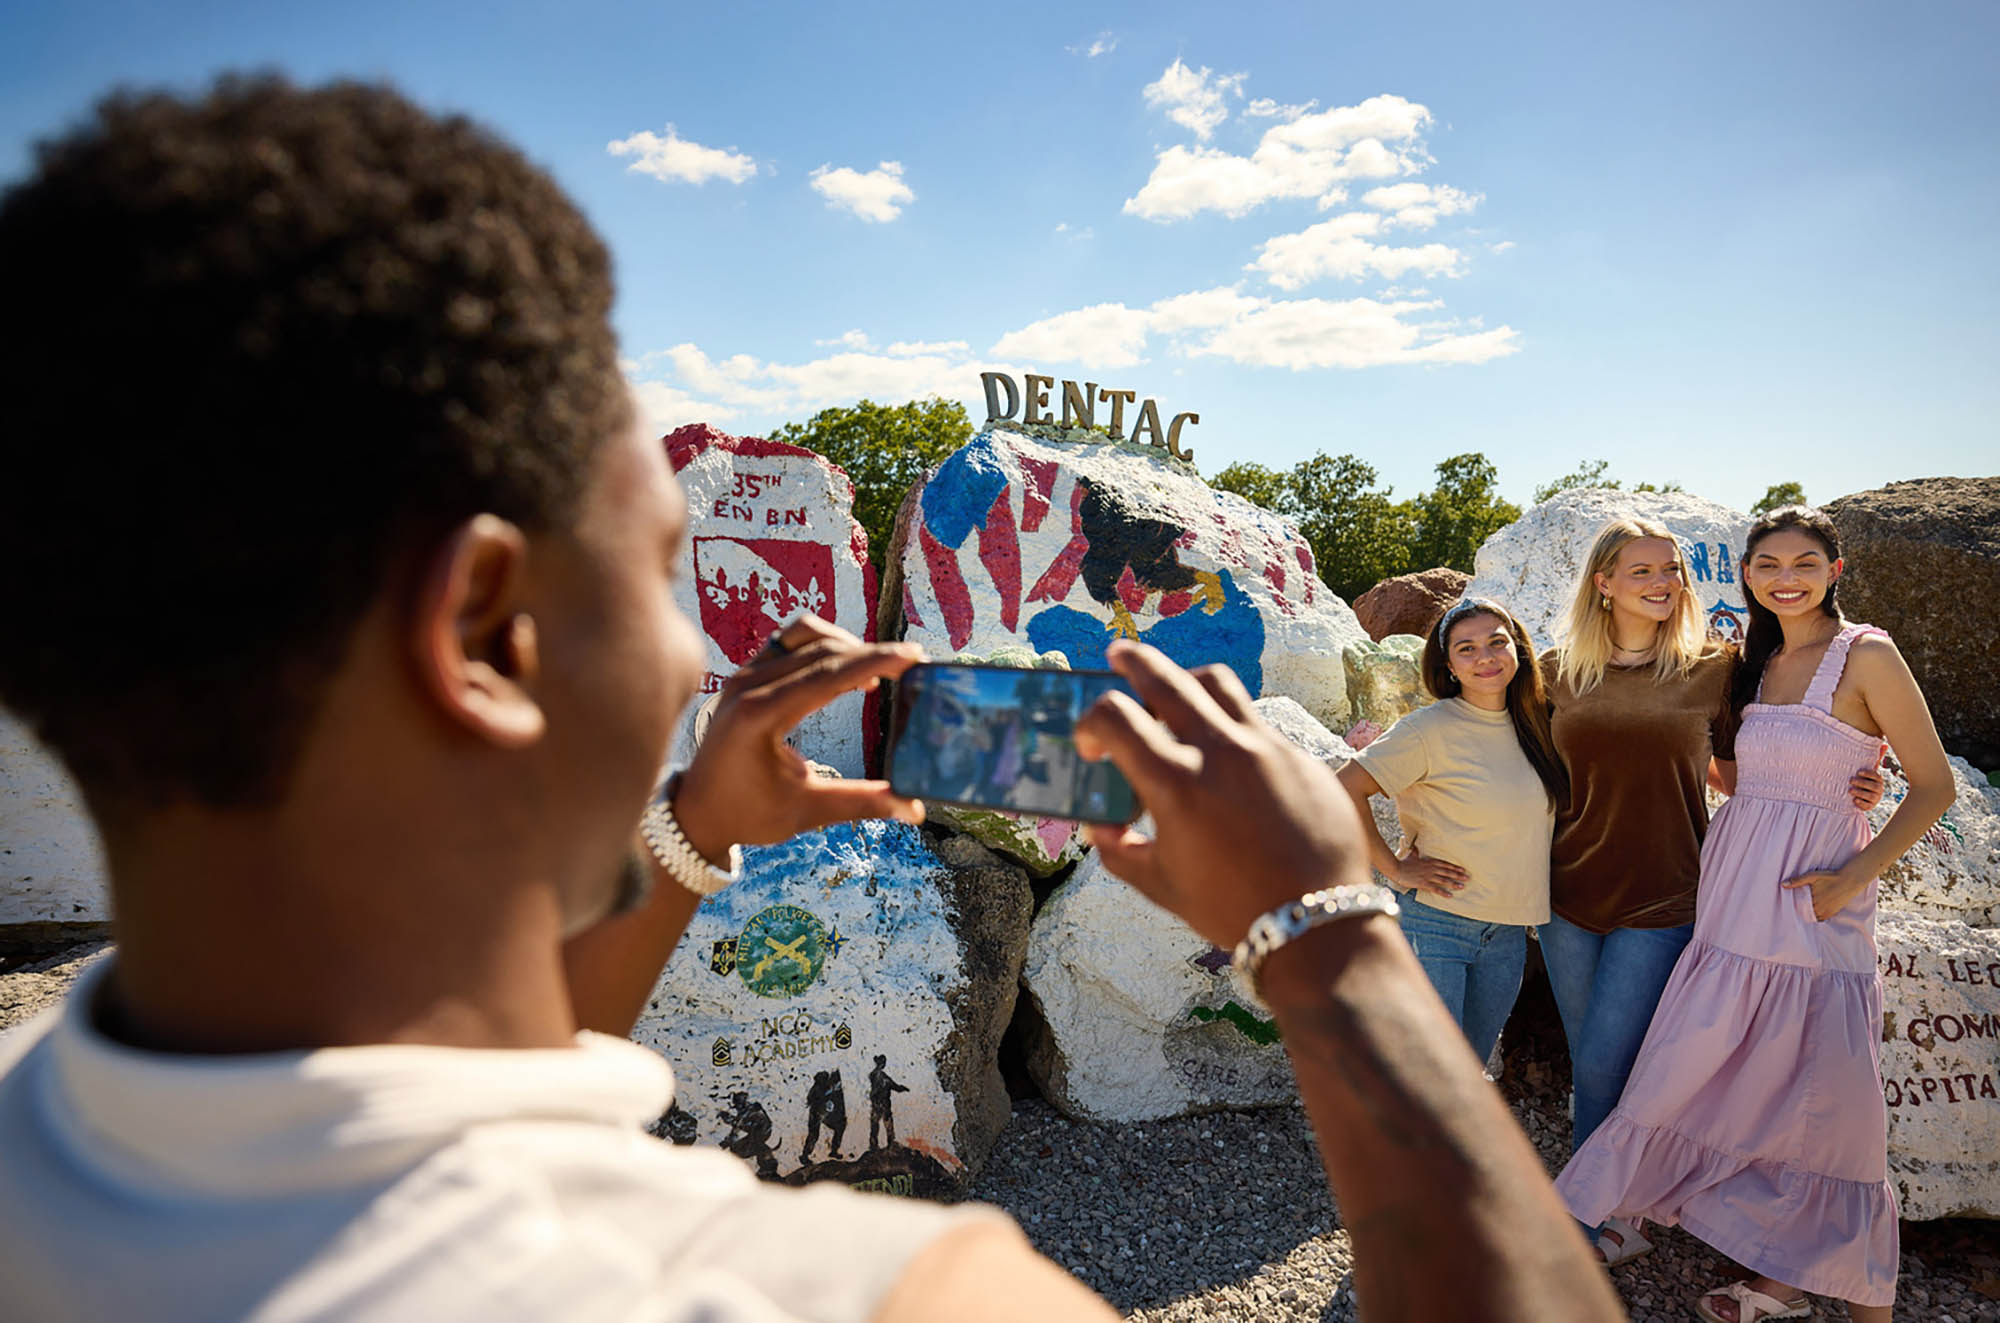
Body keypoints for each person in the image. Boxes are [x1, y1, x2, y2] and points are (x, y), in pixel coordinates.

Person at [0, 76, 1621, 1323]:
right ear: (483, 633)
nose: (701, 652)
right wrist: (1328, 936)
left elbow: (433, 1117)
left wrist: (687, 839)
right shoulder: (856, 1289)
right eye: (659, 566)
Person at [1557, 507, 1952, 1323]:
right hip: (1735, 894)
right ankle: (1765, 1265)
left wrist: (1854, 872)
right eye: (1767, 563)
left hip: (1816, 894)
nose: (1785, 577)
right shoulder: (1753, 664)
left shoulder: (1867, 653)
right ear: (1746, 574)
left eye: (1804, 562)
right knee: (1727, 1066)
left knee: (1827, 1085)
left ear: (1835, 569)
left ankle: (1857, 1288)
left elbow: (1936, 784)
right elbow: (1738, 775)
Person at [1335, 597, 1566, 1067]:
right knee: (1431, 1075)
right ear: (1449, 666)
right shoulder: (1428, 729)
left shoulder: (1538, 726)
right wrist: (1395, 868)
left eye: (1497, 642)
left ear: (1518, 649)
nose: (1485, 657)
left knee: (1467, 1072)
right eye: (1467, 649)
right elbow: (1342, 789)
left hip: (1506, 936)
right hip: (1434, 926)